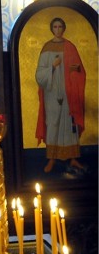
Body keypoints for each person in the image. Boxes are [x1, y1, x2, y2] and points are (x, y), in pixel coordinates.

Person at [35, 17, 86, 174]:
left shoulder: (70, 46)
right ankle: (51, 158)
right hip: (51, 93)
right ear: (52, 29)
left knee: (69, 125)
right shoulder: (46, 48)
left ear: (63, 28)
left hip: (68, 92)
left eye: (60, 27)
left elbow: (80, 70)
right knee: (53, 123)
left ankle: (73, 158)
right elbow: (39, 74)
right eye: (55, 27)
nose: (57, 29)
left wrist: (75, 69)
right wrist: (53, 66)